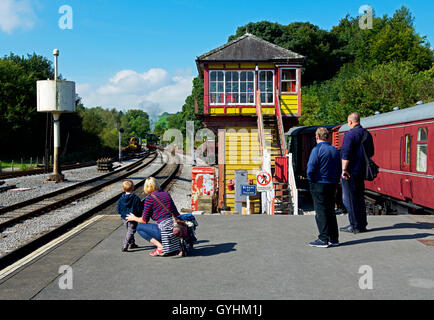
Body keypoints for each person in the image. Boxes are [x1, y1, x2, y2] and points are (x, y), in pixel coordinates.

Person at [126, 177, 181, 256]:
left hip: (164, 230)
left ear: (146, 187)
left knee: (139, 227)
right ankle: (172, 243)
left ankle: (160, 247)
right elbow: (176, 213)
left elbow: (144, 220)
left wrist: (134, 218)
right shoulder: (166, 194)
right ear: (157, 184)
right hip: (176, 229)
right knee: (161, 225)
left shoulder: (149, 199)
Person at [307, 127, 341, 248]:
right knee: (330, 210)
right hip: (332, 183)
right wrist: (336, 181)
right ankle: (334, 238)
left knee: (321, 211)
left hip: (319, 182)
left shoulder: (317, 150)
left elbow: (311, 167)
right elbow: (339, 168)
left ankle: (323, 238)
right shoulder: (334, 150)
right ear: (328, 137)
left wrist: (311, 179)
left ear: (317, 137)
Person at [340, 112, 374, 234]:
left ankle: (354, 225)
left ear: (350, 122)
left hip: (350, 171)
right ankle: (362, 224)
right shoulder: (367, 134)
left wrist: (344, 170)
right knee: (360, 198)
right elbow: (371, 152)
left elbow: (346, 154)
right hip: (362, 170)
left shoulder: (350, 135)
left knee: (349, 198)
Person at [116, 180, 142, 252]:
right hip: (133, 217)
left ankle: (132, 243)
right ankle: (125, 244)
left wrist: (122, 214)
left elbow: (118, 209)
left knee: (129, 230)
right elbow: (139, 208)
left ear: (123, 189)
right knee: (131, 231)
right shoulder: (136, 198)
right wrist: (138, 216)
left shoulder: (121, 199)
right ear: (133, 188)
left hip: (124, 218)